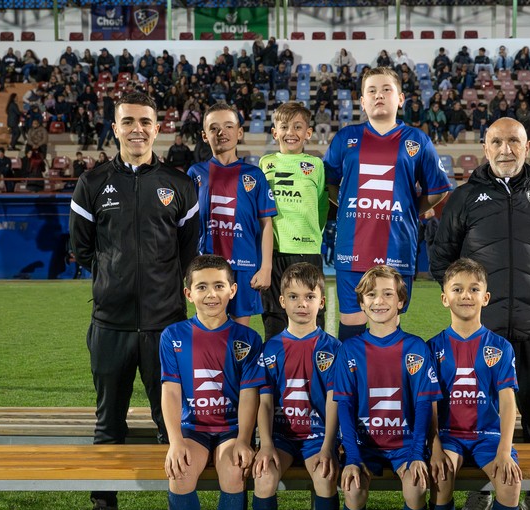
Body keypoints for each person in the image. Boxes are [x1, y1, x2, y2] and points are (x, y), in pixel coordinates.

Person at [429, 117, 530, 510]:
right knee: (476, 412)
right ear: (484, 147)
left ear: (528, 147)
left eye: (513, 141)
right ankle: (480, 494)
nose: (505, 149)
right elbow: (442, 259)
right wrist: (472, 309)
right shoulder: (464, 197)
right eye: (497, 141)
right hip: (481, 332)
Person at [69, 90, 200, 510]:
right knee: (109, 420)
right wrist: (115, 280)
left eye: (145, 121)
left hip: (166, 325)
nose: (136, 129)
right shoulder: (91, 183)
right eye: (128, 122)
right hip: (110, 323)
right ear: (115, 128)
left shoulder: (180, 184)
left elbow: (188, 253)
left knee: (170, 420)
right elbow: (83, 250)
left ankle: (176, 504)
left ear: (157, 128)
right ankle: (104, 506)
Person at [333, 265, 441, 510]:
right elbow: (345, 406)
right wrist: (352, 458)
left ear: (401, 301)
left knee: (416, 484)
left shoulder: (415, 347)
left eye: (387, 294)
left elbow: (423, 406)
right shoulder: (350, 350)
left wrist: (416, 453)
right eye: (371, 295)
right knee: (352, 487)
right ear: (361, 303)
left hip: (404, 447)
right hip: (364, 448)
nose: (379, 301)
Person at [161, 254, 264, 510]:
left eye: (219, 286)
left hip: (231, 429)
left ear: (232, 290)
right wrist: (175, 441)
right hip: (194, 429)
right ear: (188, 293)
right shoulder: (174, 336)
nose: (211, 294)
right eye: (202, 287)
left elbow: (250, 395)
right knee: (180, 470)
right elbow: (171, 391)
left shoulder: (247, 338)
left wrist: (244, 439)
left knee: (234, 469)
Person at [324, 66, 452, 342]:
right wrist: (345, 203)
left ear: (400, 98)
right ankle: (351, 373)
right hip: (352, 248)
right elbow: (328, 182)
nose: (379, 95)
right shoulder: (346, 138)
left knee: (387, 324)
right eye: (371, 91)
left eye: (386, 90)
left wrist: (409, 210)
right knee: (352, 325)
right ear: (362, 101)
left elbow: (438, 189)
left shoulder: (417, 140)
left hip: (396, 248)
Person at [428, 258, 521, 510]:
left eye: (473, 289)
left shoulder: (499, 346)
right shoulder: (433, 347)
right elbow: (428, 404)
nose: (465, 295)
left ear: (486, 297)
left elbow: (508, 403)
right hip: (449, 434)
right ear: (444, 298)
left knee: (510, 482)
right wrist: (435, 445)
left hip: (487, 435)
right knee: (441, 476)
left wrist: (504, 450)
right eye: (457, 289)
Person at [251, 262, 342, 510]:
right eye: (293, 297)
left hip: (317, 436)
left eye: (309, 296)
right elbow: (264, 401)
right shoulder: (271, 348)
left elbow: (334, 400)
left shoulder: (332, 348)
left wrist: (328, 446)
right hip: (282, 437)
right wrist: (266, 444)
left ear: (322, 301)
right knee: (264, 476)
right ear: (281, 301)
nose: (302, 304)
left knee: (325, 476)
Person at [188, 102, 276, 329]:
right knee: (209, 329)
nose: (222, 132)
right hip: (207, 266)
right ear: (205, 136)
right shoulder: (195, 174)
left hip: (244, 266)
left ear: (239, 132)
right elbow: (187, 225)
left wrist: (266, 267)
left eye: (228, 126)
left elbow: (266, 224)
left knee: (240, 334)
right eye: (214, 128)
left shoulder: (254, 175)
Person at [258, 101, 329, 339]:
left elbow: (321, 207)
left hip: (307, 251)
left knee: (311, 315)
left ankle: (314, 361)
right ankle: (276, 362)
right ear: (274, 132)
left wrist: (310, 233)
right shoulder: (265, 163)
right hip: (275, 252)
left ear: (308, 133)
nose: (291, 132)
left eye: (298, 127)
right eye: (285, 127)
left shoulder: (316, 165)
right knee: (275, 317)